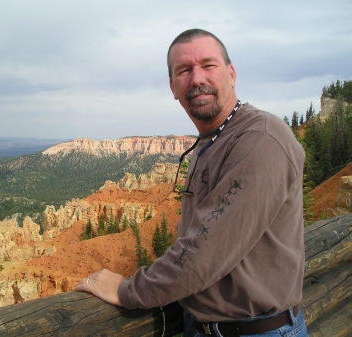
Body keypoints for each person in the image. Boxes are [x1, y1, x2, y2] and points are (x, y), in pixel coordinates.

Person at [75, 29, 308, 337]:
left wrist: (127, 290)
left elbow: (207, 251)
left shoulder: (260, 138)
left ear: (231, 73)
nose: (197, 78)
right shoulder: (212, 141)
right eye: (184, 70)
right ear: (173, 86)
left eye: (208, 65)